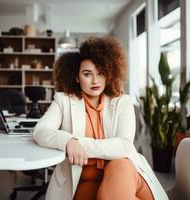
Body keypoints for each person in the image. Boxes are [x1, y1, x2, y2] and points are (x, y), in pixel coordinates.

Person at [34, 37, 168, 200]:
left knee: (118, 165)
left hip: (124, 172)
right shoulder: (64, 100)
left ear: (109, 73)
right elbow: (41, 130)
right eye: (87, 74)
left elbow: (123, 146)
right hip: (84, 180)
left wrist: (78, 144)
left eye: (101, 73)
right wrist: (68, 142)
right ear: (77, 77)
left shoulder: (122, 101)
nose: (95, 80)